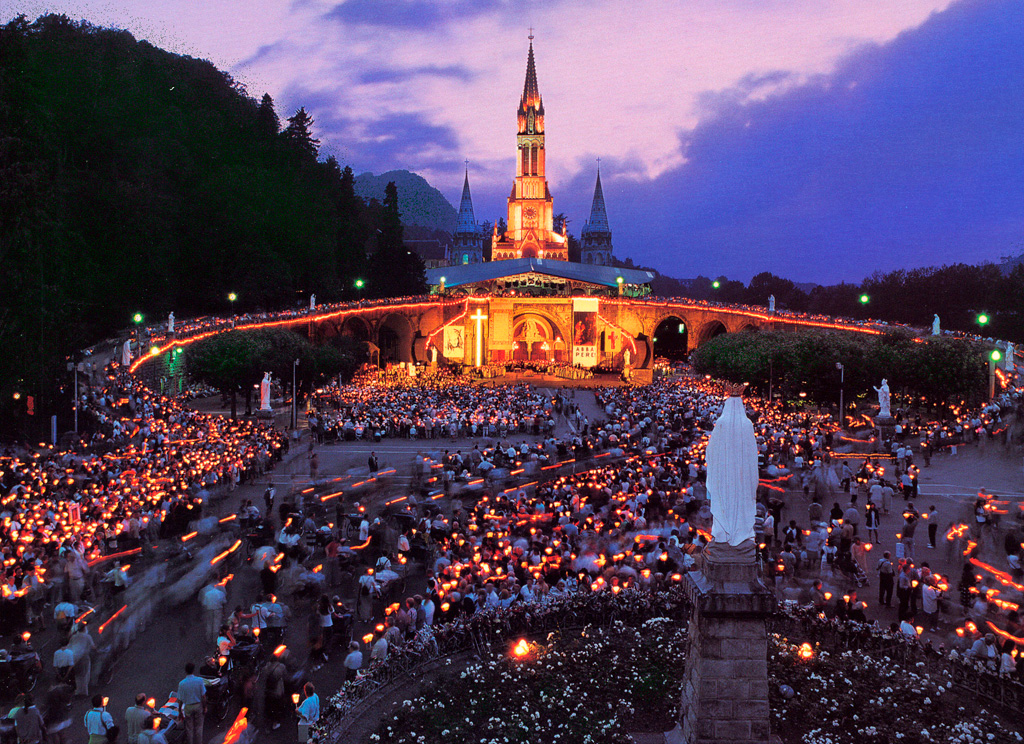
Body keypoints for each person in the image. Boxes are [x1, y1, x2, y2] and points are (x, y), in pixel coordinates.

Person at [176, 662, 207, 744]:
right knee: (199, 727)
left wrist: (180, 711)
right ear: (193, 670)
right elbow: (203, 696)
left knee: (189, 728)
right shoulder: (199, 681)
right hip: (198, 705)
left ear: (185, 671)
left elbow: (180, 699)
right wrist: (205, 707)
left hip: (188, 707)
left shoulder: (182, 683)